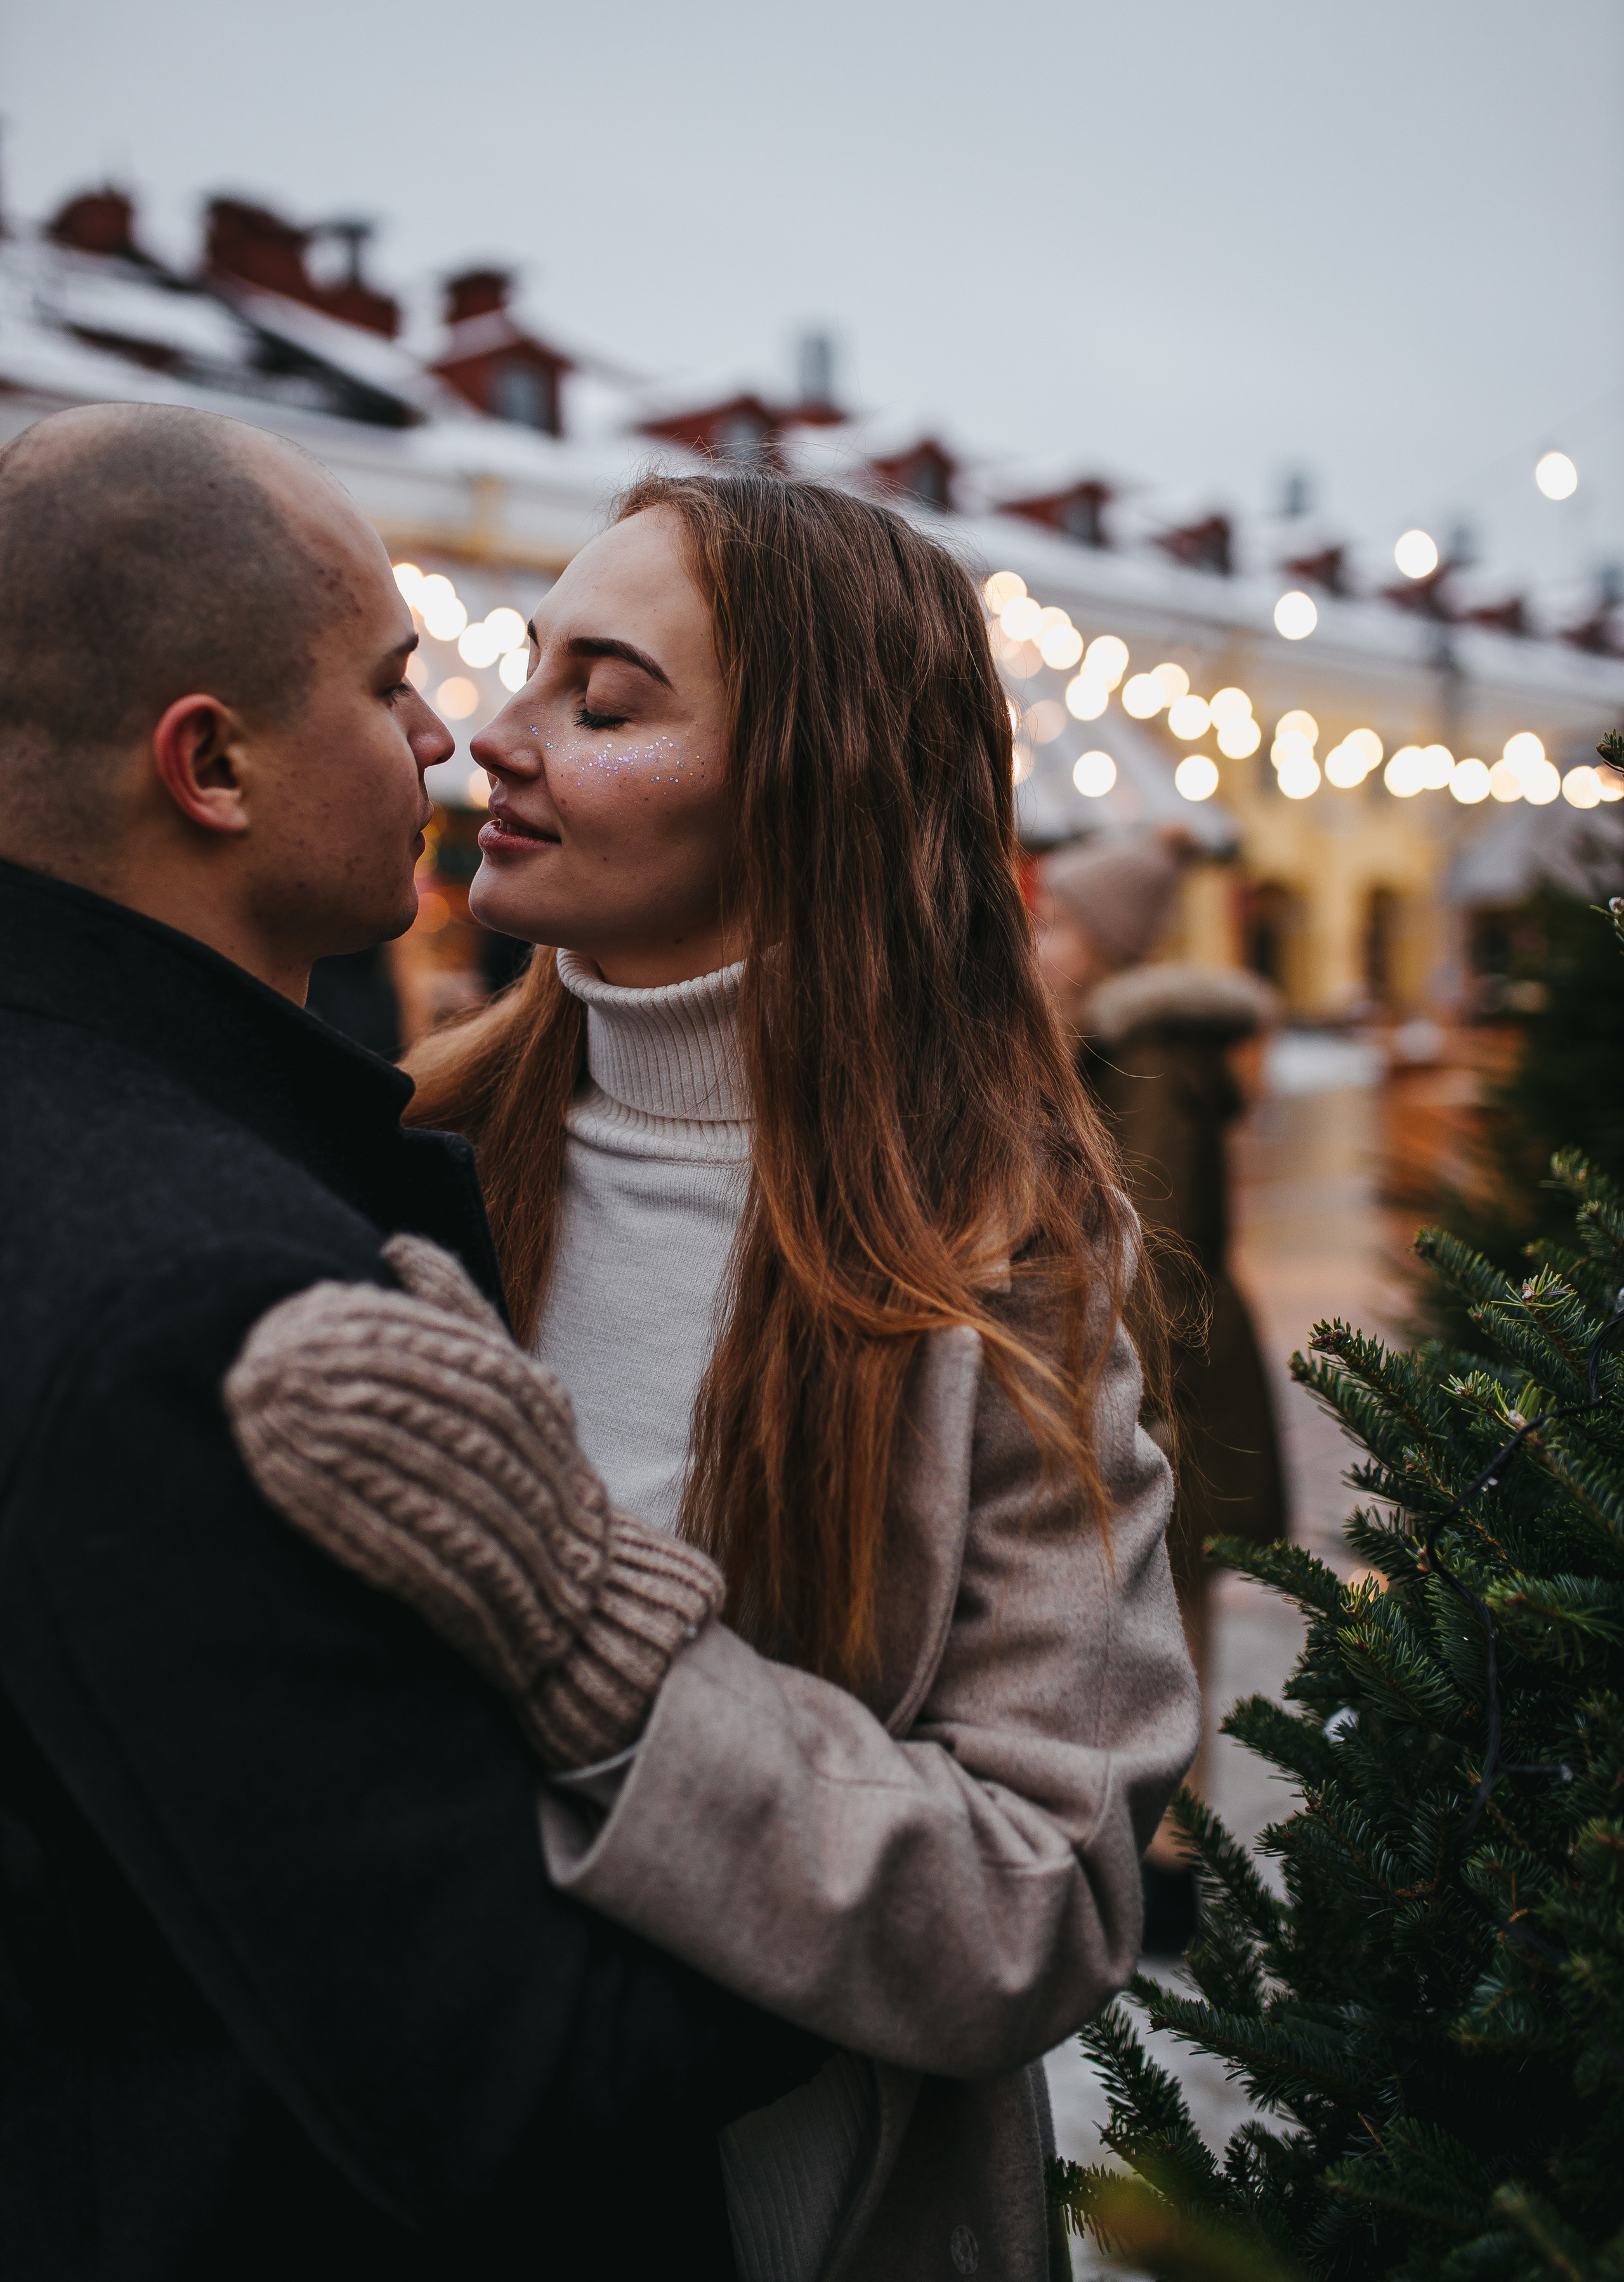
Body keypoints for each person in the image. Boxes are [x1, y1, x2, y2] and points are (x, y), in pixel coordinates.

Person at [234, 471, 1202, 2282]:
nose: (486, 743)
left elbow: (1044, 1897)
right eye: (525, 674)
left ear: (816, 785)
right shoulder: (385, 1151)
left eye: (600, 705)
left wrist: (609, 1658)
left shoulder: (1000, 1247)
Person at [0, 405, 826, 2280]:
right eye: (391, 690)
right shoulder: (212, 1302)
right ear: (208, 765)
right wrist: (916, 1883)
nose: (455, 742)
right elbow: (520, 2069)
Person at [1035, 829, 1287, 1952]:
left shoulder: (1147, 1058)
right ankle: (1151, 1862)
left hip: (1174, 1392)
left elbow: (1158, 1253)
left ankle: (1168, 1879)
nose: (1039, 940)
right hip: (1156, 1382)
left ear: (1107, 941)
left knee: (1165, 1629)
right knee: (1149, 1627)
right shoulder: (1112, 1044)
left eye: (1058, 923)